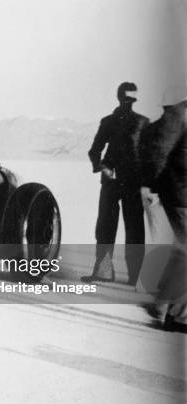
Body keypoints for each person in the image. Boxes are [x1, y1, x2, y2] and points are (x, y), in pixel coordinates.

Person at [82, 82, 149, 285]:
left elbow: (149, 155)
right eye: (126, 98)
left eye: (132, 99)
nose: (128, 103)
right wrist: (102, 167)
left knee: (135, 228)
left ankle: (136, 277)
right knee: (105, 227)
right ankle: (104, 272)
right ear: (119, 97)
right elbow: (95, 151)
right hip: (111, 181)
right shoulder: (108, 122)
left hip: (133, 183)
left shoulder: (142, 122)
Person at [140, 85, 187, 331]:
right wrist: (148, 185)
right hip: (179, 193)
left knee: (182, 251)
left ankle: (161, 306)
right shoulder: (178, 114)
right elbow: (159, 151)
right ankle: (177, 317)